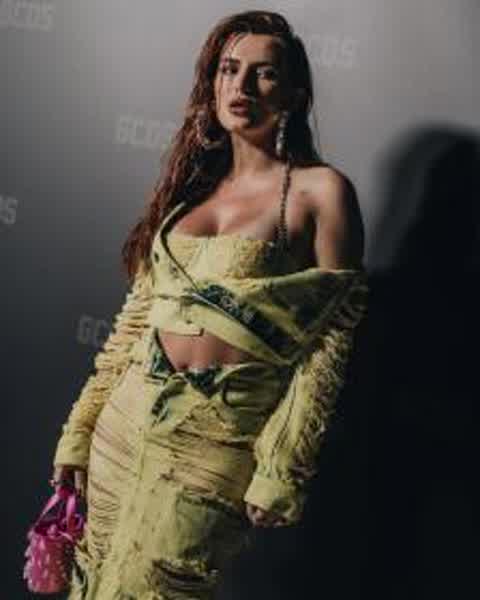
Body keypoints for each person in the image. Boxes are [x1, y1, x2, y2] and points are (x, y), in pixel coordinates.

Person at [50, 10, 369, 600]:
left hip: (211, 443)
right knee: (92, 582)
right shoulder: (189, 195)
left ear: (294, 94)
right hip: (122, 426)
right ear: (212, 82)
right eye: (228, 69)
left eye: (264, 73)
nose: (241, 86)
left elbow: (328, 346)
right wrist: (78, 433)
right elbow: (131, 330)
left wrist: (281, 469)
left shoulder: (321, 192)